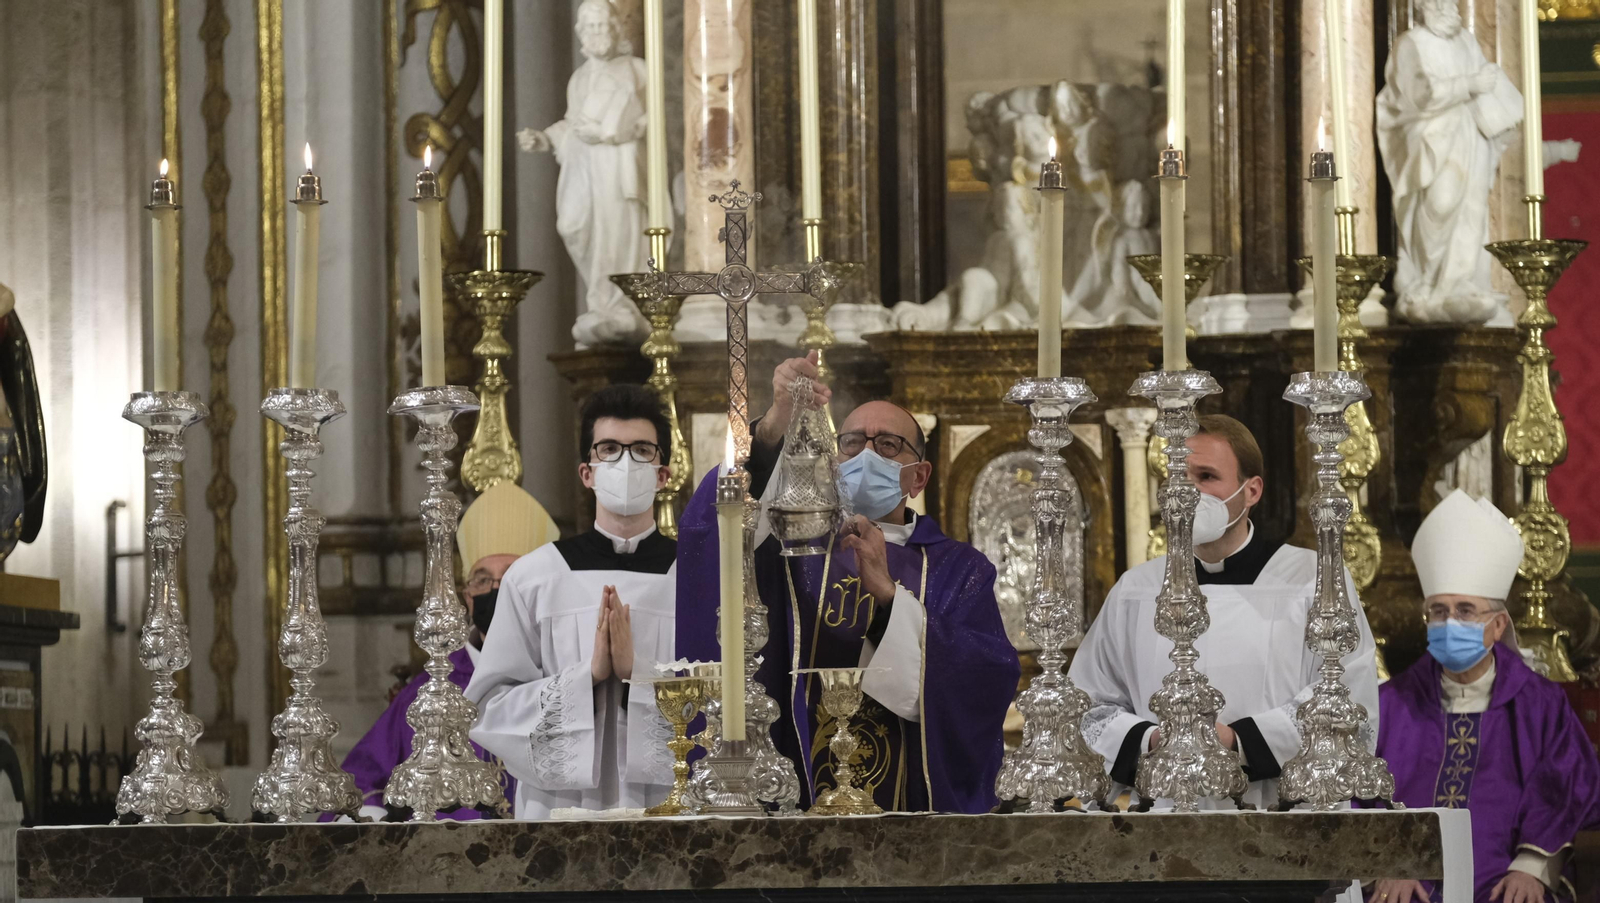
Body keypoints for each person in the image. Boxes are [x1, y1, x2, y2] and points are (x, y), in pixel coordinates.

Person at [676, 352, 1020, 813]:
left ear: (918, 477)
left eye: (889, 445)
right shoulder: (790, 550)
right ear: (834, 462)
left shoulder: (958, 568)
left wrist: (889, 599)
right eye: (853, 443)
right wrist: (775, 424)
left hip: (912, 811)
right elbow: (718, 536)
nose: (866, 455)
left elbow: (984, 682)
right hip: (796, 797)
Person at [1070, 414, 1380, 809]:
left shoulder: (1313, 580)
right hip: (1164, 820)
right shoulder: (1137, 589)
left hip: (1283, 820)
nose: (1188, 492)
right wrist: (1153, 741)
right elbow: (1087, 705)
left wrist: (1237, 742)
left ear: (1251, 491)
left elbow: (1347, 699)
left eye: (1206, 477)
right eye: (1178, 477)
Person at [1368, 490, 1600, 903]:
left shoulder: (1540, 705)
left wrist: (1532, 868)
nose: (1449, 622)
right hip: (1404, 886)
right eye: (1438, 611)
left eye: (1464, 610)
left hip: (1503, 886)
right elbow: (1356, 794)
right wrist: (1388, 863)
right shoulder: (1390, 704)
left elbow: (1568, 788)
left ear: (1497, 626)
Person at [466, 385, 679, 819]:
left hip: (672, 808)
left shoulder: (698, 578)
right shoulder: (534, 577)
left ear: (662, 474)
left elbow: (731, 702)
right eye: (609, 449)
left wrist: (634, 676)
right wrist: (589, 676)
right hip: (559, 813)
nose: (625, 462)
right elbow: (492, 709)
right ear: (587, 472)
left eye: (641, 450)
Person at [338, 480, 559, 821]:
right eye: (482, 580)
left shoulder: (563, 679)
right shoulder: (431, 690)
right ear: (468, 597)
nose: (496, 591)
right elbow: (359, 783)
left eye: (513, 577)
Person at [1376, 0, 1522, 325]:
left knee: (1472, 208)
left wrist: (1489, 80)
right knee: (1439, 204)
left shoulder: (1466, 40)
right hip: (1432, 139)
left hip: (1470, 133)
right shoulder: (1410, 43)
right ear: (1423, 6)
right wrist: (1467, 84)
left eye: (1451, 2)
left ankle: (1460, 283)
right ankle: (1429, 280)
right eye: (1438, 2)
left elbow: (1484, 80)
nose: (1447, 8)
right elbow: (1417, 93)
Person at [516, 0, 649, 346]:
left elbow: (656, 122)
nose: (596, 33)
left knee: (617, 233)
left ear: (616, 28)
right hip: (583, 167)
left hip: (617, 166)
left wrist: (613, 134)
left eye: (602, 25)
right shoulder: (580, 78)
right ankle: (599, 301)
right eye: (590, 27)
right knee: (573, 225)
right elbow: (572, 124)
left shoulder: (637, 70)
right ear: (581, 33)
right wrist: (544, 138)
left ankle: (621, 305)